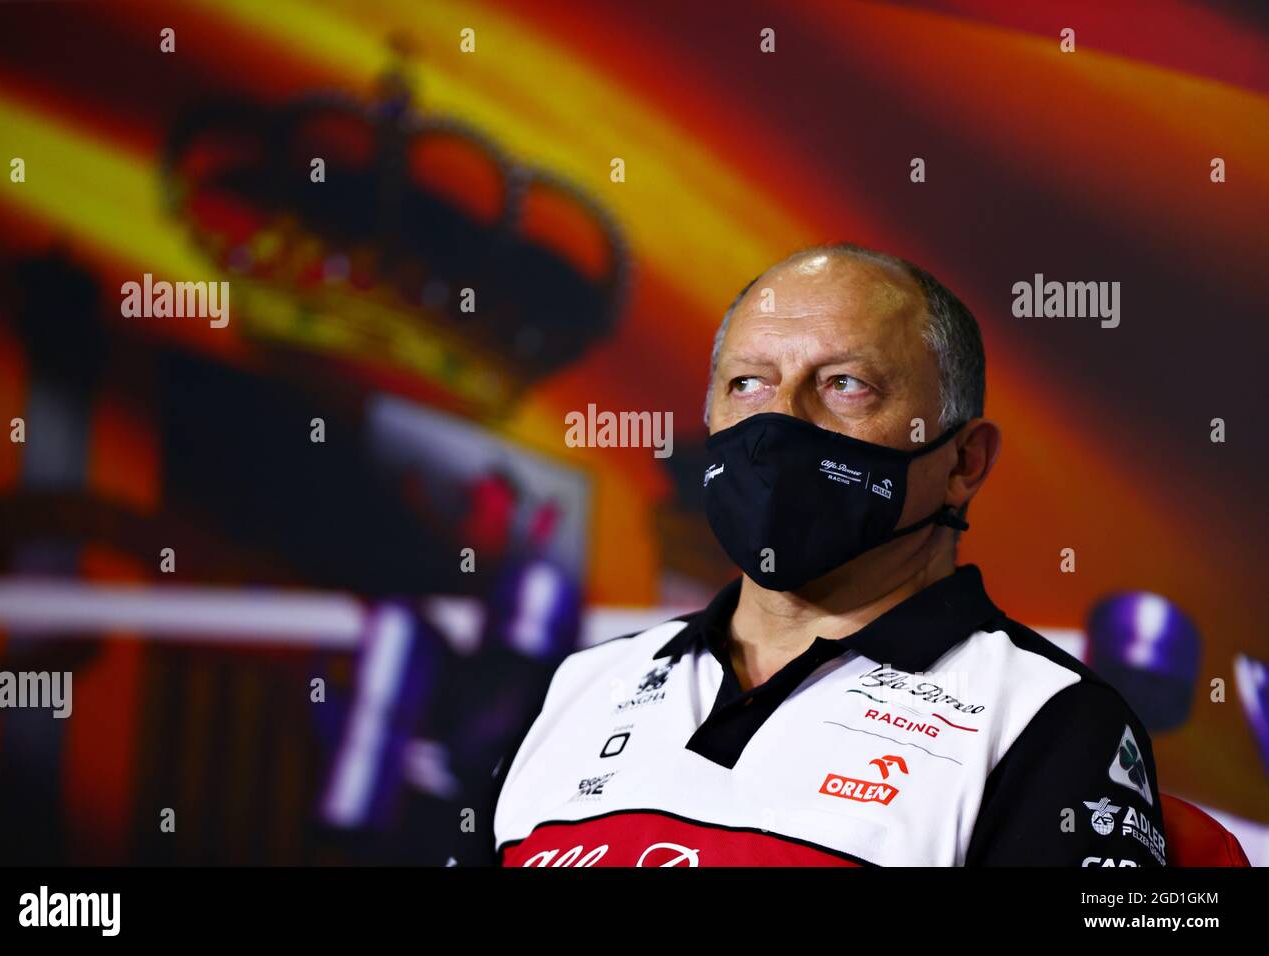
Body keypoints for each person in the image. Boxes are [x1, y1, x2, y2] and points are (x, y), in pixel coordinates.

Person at [461, 242, 1166, 867]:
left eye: (844, 385)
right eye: (748, 384)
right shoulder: (579, 687)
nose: (778, 425)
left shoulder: (1048, 722)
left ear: (963, 463)